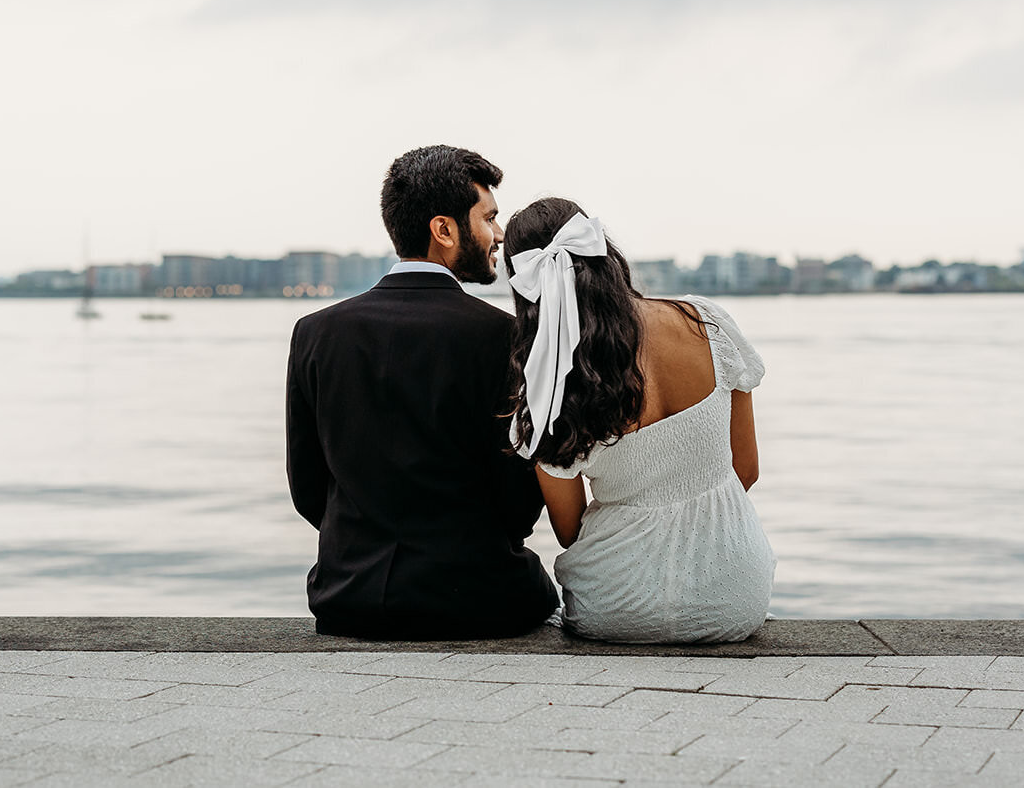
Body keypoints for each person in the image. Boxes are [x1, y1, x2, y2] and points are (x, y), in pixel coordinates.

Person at [285, 146, 558, 638]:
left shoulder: (315, 332)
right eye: (489, 218)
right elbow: (518, 499)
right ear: (445, 230)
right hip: (482, 597)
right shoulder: (505, 336)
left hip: (349, 597)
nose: (499, 235)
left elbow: (307, 487)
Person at [503, 196, 776, 643]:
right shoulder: (705, 322)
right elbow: (746, 470)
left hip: (612, 606)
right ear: (605, 253)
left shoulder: (550, 389)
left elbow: (569, 532)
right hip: (733, 597)